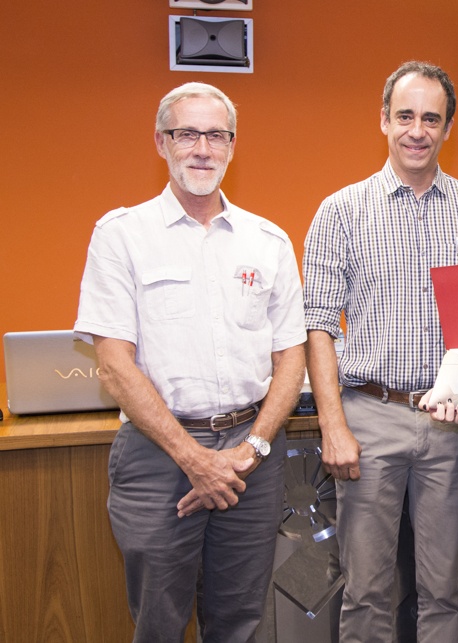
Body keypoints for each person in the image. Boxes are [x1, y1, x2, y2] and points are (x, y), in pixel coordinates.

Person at [74, 82, 307, 642]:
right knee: (158, 622)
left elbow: (290, 357)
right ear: (161, 142)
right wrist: (193, 457)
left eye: (216, 135)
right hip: (157, 458)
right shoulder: (121, 236)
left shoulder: (267, 241)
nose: (203, 148)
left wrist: (251, 448)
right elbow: (113, 364)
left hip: (253, 455)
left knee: (240, 623)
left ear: (232, 145)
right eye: (187, 134)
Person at [302, 61, 458, 643]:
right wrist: (332, 425)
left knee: (443, 592)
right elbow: (316, 327)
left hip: (454, 427)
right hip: (369, 418)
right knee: (366, 591)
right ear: (383, 120)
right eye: (405, 115)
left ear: (448, 127)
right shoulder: (340, 211)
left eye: (431, 118)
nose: (417, 130)